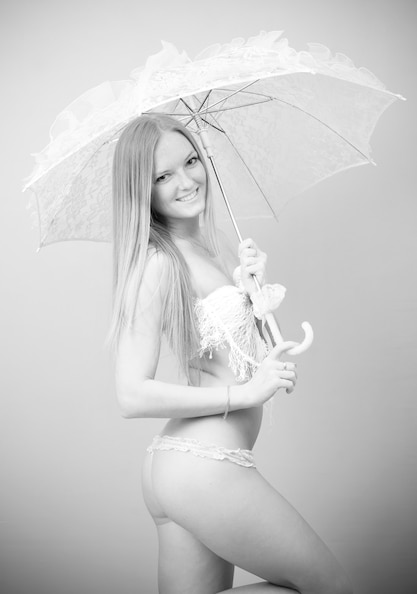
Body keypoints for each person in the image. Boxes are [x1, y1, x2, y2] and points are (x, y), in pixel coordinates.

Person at [109, 113, 352, 594]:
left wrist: (250, 288)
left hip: (183, 468)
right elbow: (130, 394)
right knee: (332, 587)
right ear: (142, 191)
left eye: (191, 161)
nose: (186, 181)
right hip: (204, 466)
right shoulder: (158, 262)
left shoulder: (206, 249)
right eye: (162, 176)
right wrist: (249, 393)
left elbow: (229, 357)